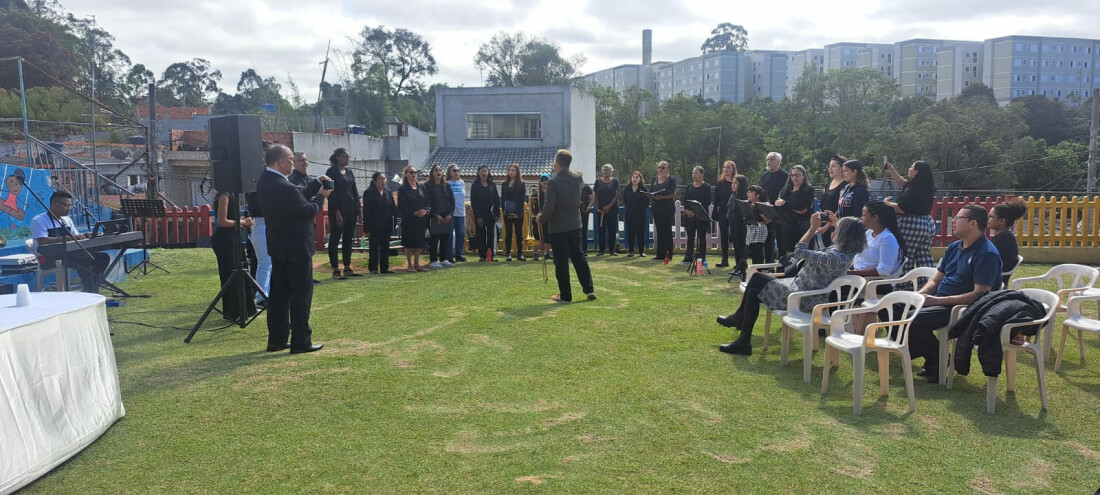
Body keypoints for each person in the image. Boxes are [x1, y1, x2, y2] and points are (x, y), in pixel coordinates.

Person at [717, 212, 866, 356]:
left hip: (803, 298)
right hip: (800, 288)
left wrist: (812, 228)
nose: (834, 231)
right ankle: (743, 340)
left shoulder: (834, 257)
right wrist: (837, 225)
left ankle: (739, 320)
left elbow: (799, 251)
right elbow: (834, 243)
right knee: (753, 292)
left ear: (843, 235)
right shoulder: (845, 252)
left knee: (757, 278)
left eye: (838, 229)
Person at [906, 205, 1002, 381]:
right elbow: (935, 281)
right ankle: (931, 356)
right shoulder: (954, 247)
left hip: (960, 307)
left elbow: (980, 295)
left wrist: (936, 301)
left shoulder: (986, 254)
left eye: (958, 218)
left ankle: (937, 360)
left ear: (972, 223)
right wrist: (918, 296)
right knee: (892, 307)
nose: (953, 222)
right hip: (940, 301)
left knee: (912, 318)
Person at [256, 144, 332, 354]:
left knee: (279, 296)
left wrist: (315, 184)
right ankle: (301, 341)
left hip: (279, 246)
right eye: (290, 159)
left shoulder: (266, 180)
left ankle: (277, 339)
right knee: (300, 295)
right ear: (281, 161)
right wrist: (322, 197)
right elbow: (306, 210)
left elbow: (297, 195)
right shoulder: (284, 186)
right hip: (297, 247)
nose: (292, 163)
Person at [538, 149, 595, 303]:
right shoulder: (577, 178)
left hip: (558, 227)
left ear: (557, 163)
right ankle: (589, 289)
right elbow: (578, 174)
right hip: (575, 224)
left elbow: (549, 206)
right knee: (579, 256)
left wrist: (541, 218)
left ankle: (566, 295)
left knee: (561, 261)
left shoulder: (553, 182)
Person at [30, 191, 111, 294]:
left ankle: (92, 287)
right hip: (50, 257)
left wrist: (85, 236)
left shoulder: (67, 220)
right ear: (54, 204)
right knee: (84, 260)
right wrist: (66, 238)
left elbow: (75, 237)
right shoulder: (38, 220)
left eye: (70, 205)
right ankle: (91, 291)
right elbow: (42, 241)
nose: (69, 208)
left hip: (70, 253)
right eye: (66, 205)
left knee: (102, 257)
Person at [884, 160, 937, 272]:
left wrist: (887, 203)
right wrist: (892, 172)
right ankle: (930, 279)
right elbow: (903, 183)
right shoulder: (926, 187)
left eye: (911, 167)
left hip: (911, 224)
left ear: (916, 171)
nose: (909, 169)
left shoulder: (912, 190)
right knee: (923, 256)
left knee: (906, 255)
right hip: (927, 223)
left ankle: (903, 280)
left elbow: (901, 208)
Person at [211, 188, 256, 318]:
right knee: (230, 273)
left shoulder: (231, 194)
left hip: (233, 238)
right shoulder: (224, 195)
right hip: (225, 240)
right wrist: (243, 222)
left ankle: (245, 309)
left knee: (242, 271)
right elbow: (222, 221)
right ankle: (233, 311)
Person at [324, 148, 361, 279]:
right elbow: (330, 194)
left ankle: (347, 267)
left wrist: (358, 209)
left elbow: (354, 191)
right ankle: (335, 270)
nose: (347, 159)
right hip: (338, 211)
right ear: (338, 158)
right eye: (345, 157)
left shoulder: (349, 172)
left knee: (348, 239)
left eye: (348, 157)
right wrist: (337, 213)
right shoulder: (330, 172)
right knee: (335, 239)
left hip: (351, 210)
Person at [289, 151, 324, 285]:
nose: (305, 162)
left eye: (306, 160)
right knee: (300, 251)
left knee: (309, 249)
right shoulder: (292, 180)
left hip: (310, 218)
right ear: (294, 163)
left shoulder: (309, 180)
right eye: (301, 160)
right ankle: (301, 278)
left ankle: (308, 276)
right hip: (298, 221)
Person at [847, 201, 906, 279]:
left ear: (875, 218)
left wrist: (851, 273)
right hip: (858, 277)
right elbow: (859, 257)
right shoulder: (869, 233)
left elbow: (883, 270)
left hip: (874, 281)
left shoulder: (887, 238)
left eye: (864, 215)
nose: (861, 218)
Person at [774, 164, 813, 256]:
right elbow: (777, 203)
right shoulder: (786, 189)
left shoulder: (808, 189)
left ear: (804, 176)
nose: (795, 177)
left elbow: (801, 207)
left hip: (801, 225)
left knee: (801, 252)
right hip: (787, 224)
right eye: (793, 175)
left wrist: (785, 203)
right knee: (788, 253)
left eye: (798, 175)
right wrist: (791, 206)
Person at [362, 171, 397, 275]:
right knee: (374, 247)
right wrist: (367, 229)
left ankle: (384, 268)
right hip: (374, 225)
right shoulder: (369, 192)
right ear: (374, 181)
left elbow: (393, 207)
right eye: (381, 179)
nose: (383, 181)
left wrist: (396, 221)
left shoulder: (388, 191)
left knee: (385, 247)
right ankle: (373, 268)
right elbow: (366, 211)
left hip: (386, 224)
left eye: (384, 179)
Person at [398, 165, 430, 272]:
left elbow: (428, 202)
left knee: (419, 242)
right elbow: (402, 206)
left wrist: (425, 211)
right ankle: (410, 265)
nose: (414, 174)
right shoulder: (402, 189)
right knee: (409, 243)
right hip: (409, 219)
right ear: (406, 174)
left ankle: (417, 264)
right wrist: (414, 213)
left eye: (415, 172)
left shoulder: (422, 187)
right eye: (411, 172)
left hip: (421, 219)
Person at [989, 198, 1027, 288]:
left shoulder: (1004, 239)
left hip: (993, 283)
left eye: (991, 216)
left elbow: (987, 261)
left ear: (1002, 221)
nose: (988, 219)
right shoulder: (1005, 236)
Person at [424, 164, 455, 269]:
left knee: (445, 238)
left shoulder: (446, 186)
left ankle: (443, 259)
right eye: (436, 170)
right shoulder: (427, 186)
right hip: (433, 216)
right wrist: (436, 215)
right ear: (432, 173)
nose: (438, 172)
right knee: (434, 238)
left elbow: (452, 202)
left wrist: (449, 214)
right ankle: (433, 260)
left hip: (446, 215)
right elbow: (428, 202)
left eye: (440, 170)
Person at [759, 152, 789, 262]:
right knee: (768, 238)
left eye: (772, 159)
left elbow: (788, 193)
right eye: (767, 159)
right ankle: (769, 262)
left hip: (781, 212)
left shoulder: (786, 176)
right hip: (766, 211)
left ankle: (782, 263)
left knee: (781, 239)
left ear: (778, 162)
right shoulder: (764, 176)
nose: (769, 161)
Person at [681, 165, 712, 264]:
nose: (694, 175)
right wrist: (687, 211)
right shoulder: (689, 187)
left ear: (702, 174)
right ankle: (688, 256)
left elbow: (707, 201)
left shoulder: (706, 187)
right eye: (693, 173)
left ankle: (701, 256)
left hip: (701, 215)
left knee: (701, 237)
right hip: (690, 216)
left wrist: (696, 212)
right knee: (690, 236)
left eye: (696, 173)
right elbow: (685, 200)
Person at [470, 165, 500, 261]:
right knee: (481, 234)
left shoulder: (492, 185)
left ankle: (491, 255)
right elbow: (473, 202)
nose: (484, 173)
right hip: (479, 213)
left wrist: (497, 214)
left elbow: (497, 200)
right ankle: (482, 255)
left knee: (491, 234)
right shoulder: (475, 185)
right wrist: (477, 216)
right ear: (478, 173)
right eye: (482, 171)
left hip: (490, 213)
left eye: (485, 171)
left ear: (488, 173)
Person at [649, 161, 677, 261]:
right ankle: (660, 254)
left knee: (667, 230)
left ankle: (668, 255)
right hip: (656, 206)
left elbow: (672, 194)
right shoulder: (654, 179)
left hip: (667, 207)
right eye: (659, 167)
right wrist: (650, 195)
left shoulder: (671, 180)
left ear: (668, 169)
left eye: (663, 168)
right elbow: (651, 191)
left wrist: (661, 197)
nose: (660, 169)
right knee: (659, 230)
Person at [592, 164, 622, 256]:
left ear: (611, 172)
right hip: (600, 211)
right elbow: (595, 196)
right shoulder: (597, 182)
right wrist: (597, 208)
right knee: (601, 230)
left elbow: (617, 195)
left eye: (608, 169)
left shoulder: (615, 181)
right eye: (604, 169)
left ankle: (612, 250)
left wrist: (609, 206)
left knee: (612, 229)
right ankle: (601, 250)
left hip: (612, 209)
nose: (606, 171)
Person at [500, 163, 527, 261]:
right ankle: (508, 254)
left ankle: (520, 254)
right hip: (507, 212)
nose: (511, 172)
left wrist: (516, 213)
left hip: (518, 212)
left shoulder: (521, 184)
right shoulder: (504, 184)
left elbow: (522, 199)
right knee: (508, 233)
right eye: (510, 170)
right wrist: (506, 211)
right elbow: (502, 199)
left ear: (517, 172)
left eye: (513, 170)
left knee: (519, 233)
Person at [725, 175, 750, 276]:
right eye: (732, 183)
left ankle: (742, 268)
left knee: (741, 246)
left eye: (735, 183)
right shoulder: (733, 195)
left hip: (741, 224)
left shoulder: (743, 197)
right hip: (733, 223)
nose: (733, 185)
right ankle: (738, 267)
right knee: (735, 245)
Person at [714, 161, 737, 267]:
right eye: (724, 167)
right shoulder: (720, 183)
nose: (726, 169)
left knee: (734, 235)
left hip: (734, 212)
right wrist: (715, 212)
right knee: (723, 235)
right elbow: (716, 199)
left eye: (728, 167)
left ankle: (738, 261)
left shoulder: (736, 182)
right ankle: (724, 260)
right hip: (723, 211)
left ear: (733, 169)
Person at [819, 155, 847, 247]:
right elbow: (822, 205)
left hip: (835, 224)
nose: (830, 169)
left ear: (842, 168)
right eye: (829, 166)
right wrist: (819, 223)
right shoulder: (827, 185)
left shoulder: (845, 186)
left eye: (833, 166)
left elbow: (840, 208)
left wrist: (826, 226)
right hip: (824, 223)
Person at [622, 170, 649, 257]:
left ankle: (641, 251)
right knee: (630, 233)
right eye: (633, 177)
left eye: (637, 177)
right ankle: (631, 251)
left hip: (640, 214)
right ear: (631, 178)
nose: (635, 179)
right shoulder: (627, 189)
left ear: (640, 179)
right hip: (630, 213)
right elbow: (625, 200)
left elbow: (647, 201)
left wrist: (641, 208)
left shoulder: (643, 189)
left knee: (640, 233)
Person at [742, 185, 771, 266]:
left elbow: (767, 220)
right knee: (752, 250)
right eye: (748, 192)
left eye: (750, 192)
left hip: (759, 229)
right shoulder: (749, 205)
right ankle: (754, 267)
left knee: (758, 250)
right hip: (751, 228)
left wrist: (758, 211)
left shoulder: (760, 206)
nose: (748, 194)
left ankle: (759, 267)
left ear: (757, 195)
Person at [445, 164, 468, 263]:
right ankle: (449, 255)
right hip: (451, 213)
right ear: (449, 172)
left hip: (461, 212)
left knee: (461, 234)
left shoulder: (461, 182)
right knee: (449, 235)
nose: (456, 172)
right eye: (454, 170)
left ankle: (459, 254)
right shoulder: (447, 183)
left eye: (458, 170)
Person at [530, 174, 552, 260]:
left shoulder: (552, 193)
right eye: (543, 180)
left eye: (547, 180)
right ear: (540, 182)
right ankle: (535, 253)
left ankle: (547, 253)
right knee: (536, 236)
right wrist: (534, 214)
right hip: (537, 218)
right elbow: (531, 204)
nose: (545, 182)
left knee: (548, 235)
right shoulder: (536, 193)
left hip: (548, 217)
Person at [579, 173, 593, 254]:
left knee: (583, 230)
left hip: (584, 211)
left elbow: (592, 199)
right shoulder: (571, 187)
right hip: (573, 212)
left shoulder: (586, 187)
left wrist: (588, 207)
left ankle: (584, 250)